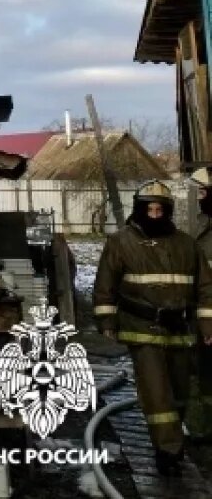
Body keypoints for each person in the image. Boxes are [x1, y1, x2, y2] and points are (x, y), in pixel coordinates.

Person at [92, 180, 212, 474]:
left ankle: (173, 438)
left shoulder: (186, 244)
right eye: (150, 209)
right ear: (139, 209)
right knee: (157, 395)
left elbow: (206, 288)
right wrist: (107, 321)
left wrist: (207, 324)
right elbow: (104, 287)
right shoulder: (120, 243)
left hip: (180, 331)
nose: (154, 214)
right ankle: (167, 453)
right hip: (142, 330)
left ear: (168, 211)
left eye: (160, 209)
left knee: (180, 393)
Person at [186, 168, 212, 440]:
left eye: (203, 192)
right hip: (204, 317)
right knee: (205, 375)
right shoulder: (204, 223)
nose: (199, 198)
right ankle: (207, 426)